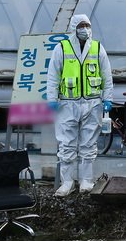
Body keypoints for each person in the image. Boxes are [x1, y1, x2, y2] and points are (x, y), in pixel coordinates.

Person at [47, 14, 113, 195]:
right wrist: (52, 99)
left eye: (87, 25)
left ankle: (86, 181)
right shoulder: (62, 48)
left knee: (89, 144)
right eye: (81, 25)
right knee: (66, 144)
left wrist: (107, 98)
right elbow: (53, 75)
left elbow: (107, 75)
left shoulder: (98, 48)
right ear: (74, 27)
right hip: (67, 103)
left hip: (93, 103)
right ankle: (67, 182)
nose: (85, 29)